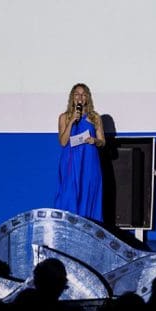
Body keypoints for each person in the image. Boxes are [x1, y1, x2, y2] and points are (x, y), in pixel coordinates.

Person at [54, 83, 105, 220]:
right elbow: (63, 142)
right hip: (70, 161)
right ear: (72, 97)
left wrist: (94, 140)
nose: (80, 98)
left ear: (87, 98)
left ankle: (87, 229)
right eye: (77, 94)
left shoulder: (95, 117)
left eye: (83, 95)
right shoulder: (64, 117)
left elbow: (102, 141)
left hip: (89, 160)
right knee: (68, 193)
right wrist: (71, 121)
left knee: (87, 193)